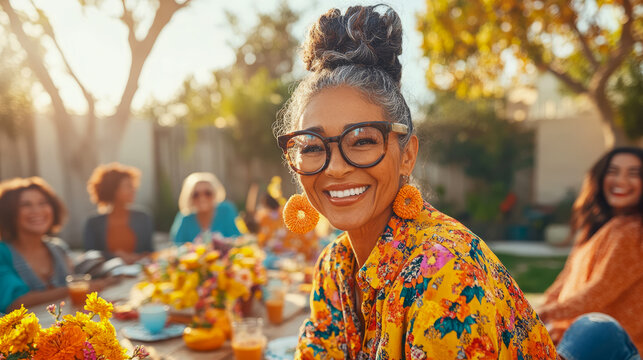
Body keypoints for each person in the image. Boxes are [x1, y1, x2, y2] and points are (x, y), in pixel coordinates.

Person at [275, 5, 556, 359]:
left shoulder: (446, 274)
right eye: (313, 146)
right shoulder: (335, 265)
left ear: (407, 155)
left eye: (362, 140)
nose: (335, 168)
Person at [539, 147, 643, 351]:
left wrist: (544, 313)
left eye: (634, 174)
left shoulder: (633, 231)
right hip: (575, 340)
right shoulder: (596, 228)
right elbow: (563, 281)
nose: (621, 181)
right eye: (613, 172)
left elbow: (598, 292)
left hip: (610, 346)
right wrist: (542, 312)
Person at [0, 177, 111, 313]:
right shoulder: (3, 253)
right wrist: (77, 288)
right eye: (25, 205)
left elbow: (79, 279)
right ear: (9, 213)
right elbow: (15, 303)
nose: (37, 210)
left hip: (64, 330)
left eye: (43, 203)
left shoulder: (58, 248)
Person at [84, 162, 154, 264]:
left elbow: (150, 252)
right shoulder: (93, 223)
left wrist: (136, 258)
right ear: (113, 189)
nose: (133, 190)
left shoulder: (143, 217)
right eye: (128, 186)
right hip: (108, 277)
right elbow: (90, 255)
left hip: (139, 273)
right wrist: (115, 256)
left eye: (133, 185)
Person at [170, 172, 240, 245]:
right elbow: (176, 246)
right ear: (189, 197)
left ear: (215, 194)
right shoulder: (185, 218)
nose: (202, 198)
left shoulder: (226, 210)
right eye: (196, 195)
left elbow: (238, 239)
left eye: (207, 193)